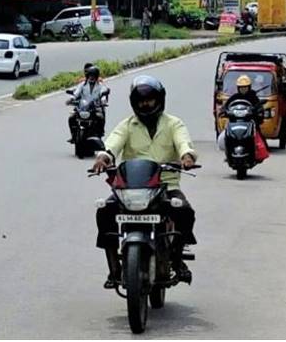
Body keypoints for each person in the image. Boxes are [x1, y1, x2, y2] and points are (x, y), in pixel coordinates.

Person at [92, 75, 197, 288]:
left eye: (149, 100)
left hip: (165, 186)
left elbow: (183, 142)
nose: (145, 104)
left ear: (159, 100)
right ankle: (114, 269)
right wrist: (104, 157)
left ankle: (177, 260)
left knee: (185, 211)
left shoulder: (173, 123)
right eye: (141, 101)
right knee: (104, 212)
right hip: (130, 188)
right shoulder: (127, 125)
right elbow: (112, 143)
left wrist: (187, 156)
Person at [67, 65, 110, 142]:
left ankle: (99, 133)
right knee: (71, 118)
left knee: (100, 117)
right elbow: (76, 93)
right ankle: (73, 135)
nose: (91, 77)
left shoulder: (100, 86)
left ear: (96, 76)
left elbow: (103, 93)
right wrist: (71, 99)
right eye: (90, 75)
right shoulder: (82, 85)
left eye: (93, 76)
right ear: (87, 76)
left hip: (95, 107)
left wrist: (103, 101)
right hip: (82, 107)